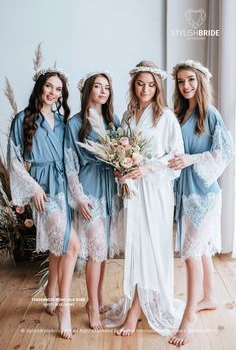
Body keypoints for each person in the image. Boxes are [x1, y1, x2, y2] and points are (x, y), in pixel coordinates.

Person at [104, 60, 185, 336]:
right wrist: (122, 169)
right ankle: (135, 304)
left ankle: (136, 311)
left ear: (157, 87)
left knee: (150, 246)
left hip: (155, 191)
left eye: (151, 84)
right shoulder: (127, 116)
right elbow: (121, 150)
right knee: (135, 246)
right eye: (140, 84)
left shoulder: (166, 117)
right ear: (133, 85)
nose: (145, 89)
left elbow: (176, 158)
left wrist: (147, 168)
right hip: (133, 193)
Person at [8, 68, 80, 339]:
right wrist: (33, 188)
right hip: (42, 190)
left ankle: (51, 290)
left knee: (59, 244)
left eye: (58, 89)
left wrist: (78, 193)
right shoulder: (23, 119)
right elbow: (14, 159)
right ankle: (65, 309)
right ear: (40, 87)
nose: (53, 93)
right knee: (71, 243)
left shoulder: (63, 122)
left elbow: (70, 159)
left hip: (63, 187)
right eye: (49, 86)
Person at [168, 60, 234, 347]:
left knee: (191, 253)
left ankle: (189, 319)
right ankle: (209, 296)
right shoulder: (180, 114)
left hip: (205, 192)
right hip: (185, 190)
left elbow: (225, 152)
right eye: (181, 81)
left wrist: (190, 160)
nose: (186, 86)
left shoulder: (211, 114)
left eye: (191, 80)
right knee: (202, 248)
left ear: (200, 82)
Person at [64, 71, 121, 330]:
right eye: (97, 86)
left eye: (106, 87)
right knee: (95, 251)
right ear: (88, 90)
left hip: (109, 189)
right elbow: (70, 164)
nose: (102, 91)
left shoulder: (113, 121)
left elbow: (121, 153)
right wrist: (79, 198)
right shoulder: (75, 123)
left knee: (103, 251)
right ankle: (90, 306)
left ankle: (98, 300)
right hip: (88, 191)